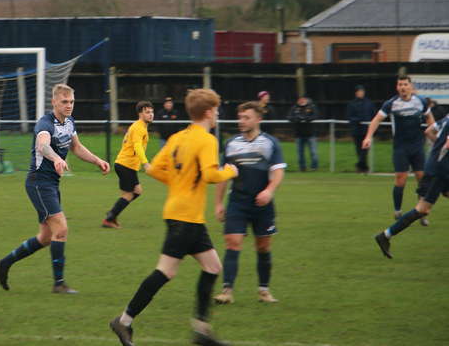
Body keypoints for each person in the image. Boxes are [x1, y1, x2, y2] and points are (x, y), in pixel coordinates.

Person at [109, 88, 239, 346]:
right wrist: (230, 171)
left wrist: (179, 182)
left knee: (213, 266)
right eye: (216, 111)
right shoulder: (206, 140)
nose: (217, 116)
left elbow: (155, 169)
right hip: (185, 217)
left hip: (184, 214)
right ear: (209, 112)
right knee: (165, 272)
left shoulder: (178, 137)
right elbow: (211, 175)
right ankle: (123, 322)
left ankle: (201, 329)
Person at [0, 84, 110, 294]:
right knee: (61, 229)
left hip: (51, 184)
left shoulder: (70, 121)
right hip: (38, 182)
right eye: (64, 102)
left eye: (71, 101)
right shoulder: (45, 123)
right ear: (54, 101)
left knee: (46, 237)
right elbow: (42, 145)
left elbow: (76, 147)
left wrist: (97, 160)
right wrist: (55, 158)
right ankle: (59, 283)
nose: (69, 105)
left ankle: (4, 264)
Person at [213, 102, 286, 305]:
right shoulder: (230, 144)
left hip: (262, 205)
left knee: (263, 246)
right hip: (237, 202)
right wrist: (218, 203)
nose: (241, 121)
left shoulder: (270, 143)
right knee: (232, 242)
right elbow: (222, 176)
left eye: (246, 117)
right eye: (240, 117)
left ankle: (264, 291)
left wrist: (269, 191)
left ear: (258, 120)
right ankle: (227, 291)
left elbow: (278, 171)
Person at [374, 115, 449, 258]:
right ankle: (385, 236)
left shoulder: (447, 118)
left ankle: (385, 236)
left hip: (435, 167)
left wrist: (438, 146)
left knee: (423, 209)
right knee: (423, 209)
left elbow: (428, 131)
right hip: (442, 171)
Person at [362, 75, 434, 220]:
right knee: (401, 179)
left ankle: (422, 212)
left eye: (405, 84)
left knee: (422, 179)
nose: (403, 87)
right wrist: (368, 136)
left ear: (411, 87)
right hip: (400, 147)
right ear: (397, 87)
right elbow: (376, 119)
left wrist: (434, 136)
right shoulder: (391, 103)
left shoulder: (420, 102)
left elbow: (430, 119)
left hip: (417, 146)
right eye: (400, 84)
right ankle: (397, 211)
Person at [102, 100, 154, 229]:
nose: (151, 114)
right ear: (140, 114)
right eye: (147, 112)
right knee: (129, 194)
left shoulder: (138, 126)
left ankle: (113, 212)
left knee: (137, 191)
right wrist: (145, 163)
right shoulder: (138, 128)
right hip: (126, 165)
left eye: (152, 112)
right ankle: (109, 218)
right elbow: (137, 146)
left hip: (126, 165)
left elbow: (127, 143)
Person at [347, 85, 375, 173]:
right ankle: (363, 167)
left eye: (362, 91)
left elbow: (374, 115)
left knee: (365, 149)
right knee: (359, 149)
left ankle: (360, 165)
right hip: (356, 130)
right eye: (359, 91)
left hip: (366, 130)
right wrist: (357, 120)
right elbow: (349, 116)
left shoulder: (369, 103)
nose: (361, 93)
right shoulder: (351, 104)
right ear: (356, 93)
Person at [287, 96, 319, 171]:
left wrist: (306, 119)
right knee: (300, 153)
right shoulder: (294, 108)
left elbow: (316, 116)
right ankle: (302, 168)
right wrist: (297, 119)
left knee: (313, 152)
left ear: (306, 100)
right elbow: (289, 117)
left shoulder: (312, 107)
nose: (301, 101)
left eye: (303, 99)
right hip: (299, 135)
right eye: (300, 99)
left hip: (310, 134)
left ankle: (314, 167)